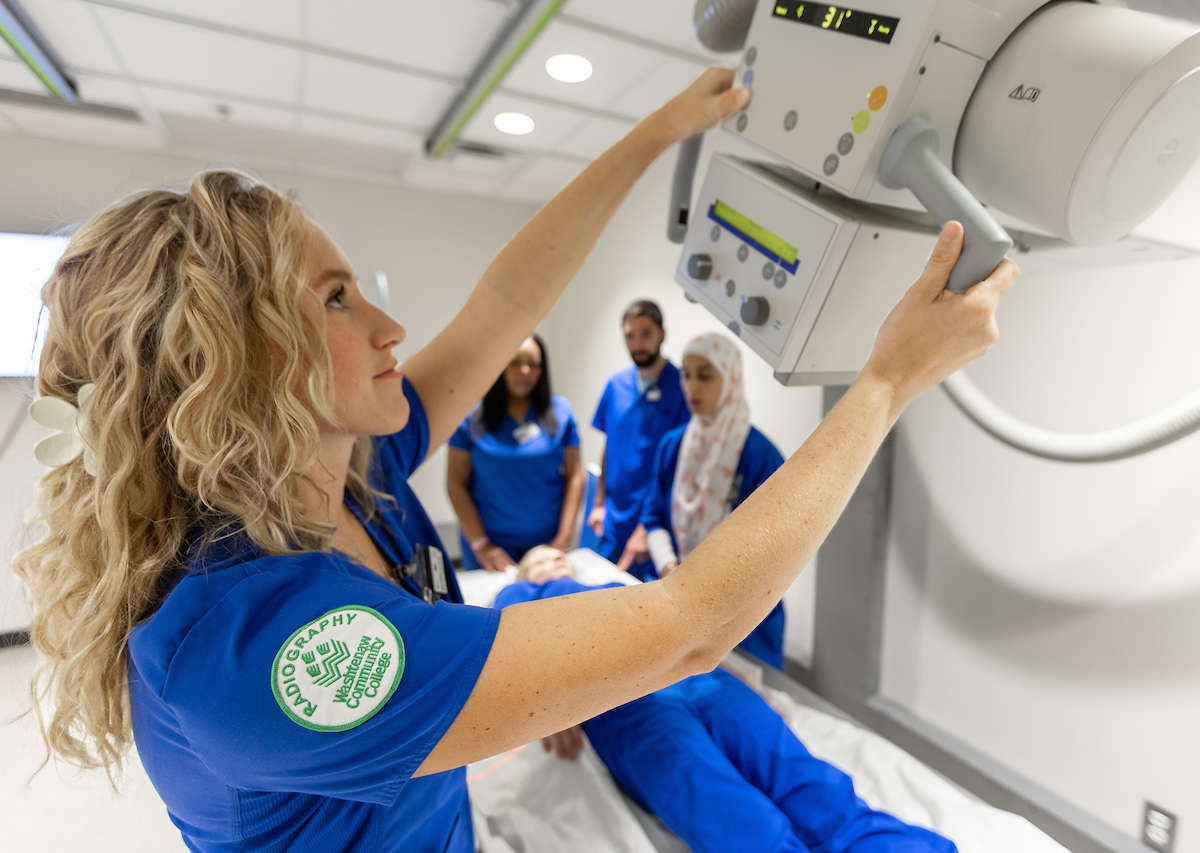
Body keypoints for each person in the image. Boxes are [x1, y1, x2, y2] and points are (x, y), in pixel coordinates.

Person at [15, 66, 1015, 853]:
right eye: (335, 298)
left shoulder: (338, 474)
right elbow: (689, 629)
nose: (389, 324)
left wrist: (659, 131)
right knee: (679, 702)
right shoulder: (257, 649)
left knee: (689, 701)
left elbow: (503, 308)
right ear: (237, 359)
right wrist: (885, 383)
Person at [495, 548, 958, 853]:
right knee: (724, 807)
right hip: (621, 694)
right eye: (542, 561)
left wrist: (736, 675)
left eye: (560, 557)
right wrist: (543, 701)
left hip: (702, 679)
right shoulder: (527, 595)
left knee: (810, 784)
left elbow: (692, 632)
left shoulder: (623, 587)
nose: (556, 562)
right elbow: (505, 643)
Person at [641, 332, 787, 667]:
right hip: (677, 597)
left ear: (731, 378)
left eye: (705, 376)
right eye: (686, 375)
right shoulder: (672, 445)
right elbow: (653, 516)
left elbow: (776, 550)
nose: (692, 388)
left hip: (743, 618)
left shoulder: (759, 457)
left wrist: (710, 589)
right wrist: (669, 566)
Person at [446, 334, 584, 572]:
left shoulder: (560, 412)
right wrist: (481, 544)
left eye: (533, 365)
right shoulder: (472, 416)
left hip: (547, 545)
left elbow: (575, 475)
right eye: (515, 362)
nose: (525, 371)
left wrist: (563, 538)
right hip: (490, 546)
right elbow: (455, 482)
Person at [588, 300, 689, 579]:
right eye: (630, 336)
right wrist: (598, 504)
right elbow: (609, 447)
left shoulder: (683, 387)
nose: (638, 343)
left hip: (656, 522)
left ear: (662, 335)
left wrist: (647, 528)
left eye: (646, 334)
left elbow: (682, 465)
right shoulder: (615, 385)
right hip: (614, 518)